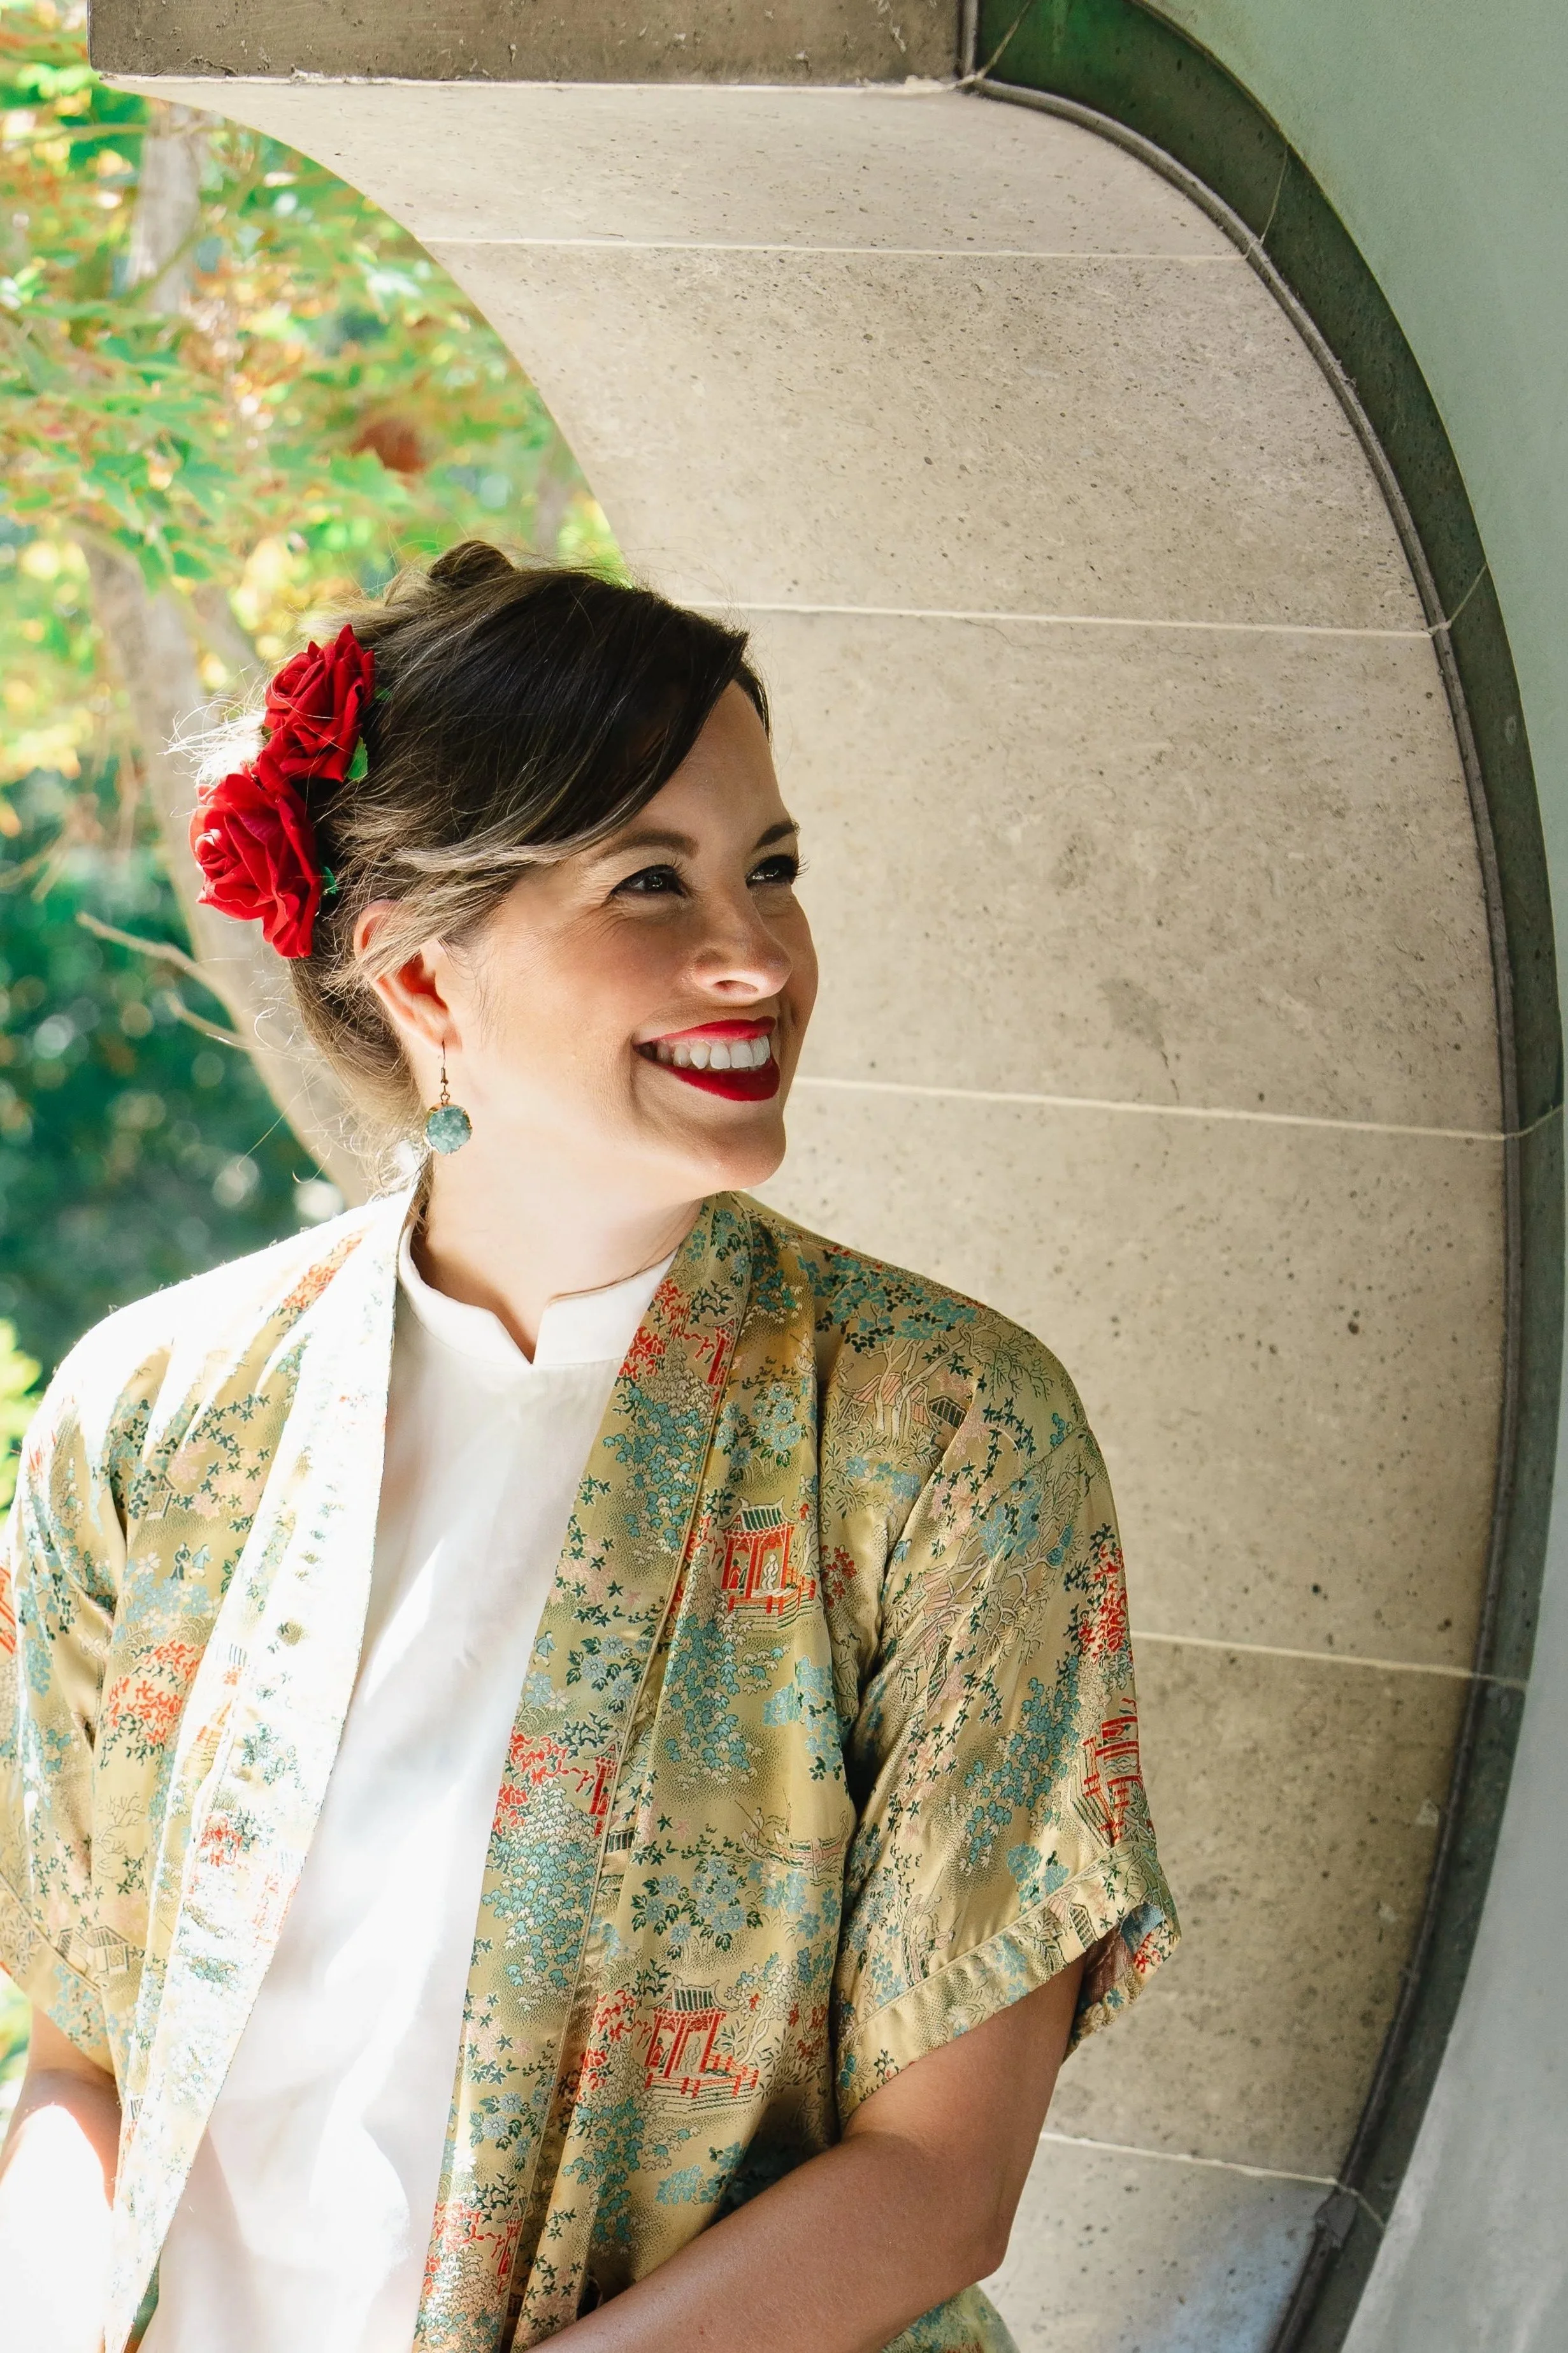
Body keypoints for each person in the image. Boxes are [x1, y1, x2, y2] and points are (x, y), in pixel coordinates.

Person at [0, 543, 1178, 2353]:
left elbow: (941, 2174)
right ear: (421, 977)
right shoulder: (152, 1419)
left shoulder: (939, 1435)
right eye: (652, 877)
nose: (755, 953)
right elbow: (84, 2049)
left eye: (770, 867)